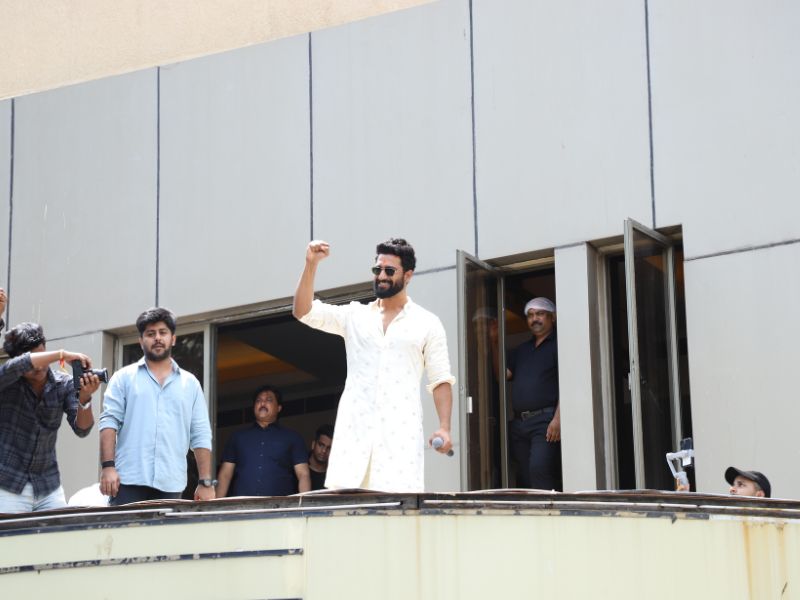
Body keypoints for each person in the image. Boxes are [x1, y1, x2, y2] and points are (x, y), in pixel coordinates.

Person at [293, 238, 455, 493]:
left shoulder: (427, 323)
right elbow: (303, 311)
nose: (381, 276)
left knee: (397, 513)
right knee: (346, 513)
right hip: (353, 441)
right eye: (377, 269)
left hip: (398, 444)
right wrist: (311, 264)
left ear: (408, 275)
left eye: (389, 271)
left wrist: (444, 428)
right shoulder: (354, 315)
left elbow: (440, 379)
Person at [99, 307, 215, 505]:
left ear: (173, 339)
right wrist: (108, 467)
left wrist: (205, 482)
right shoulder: (123, 378)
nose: (157, 338)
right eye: (151, 334)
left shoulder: (190, 384)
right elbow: (109, 422)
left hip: (171, 483)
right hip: (128, 481)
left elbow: (200, 433)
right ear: (141, 341)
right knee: (124, 528)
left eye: (163, 332)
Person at [0, 320, 100, 513]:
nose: (39, 368)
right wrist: (62, 354)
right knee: (10, 534)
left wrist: (85, 398)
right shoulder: (7, 380)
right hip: (8, 484)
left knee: (60, 530)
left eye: (42, 357)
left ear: (45, 348)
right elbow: (18, 365)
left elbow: (82, 429)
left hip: (48, 486)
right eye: (34, 363)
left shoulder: (63, 384)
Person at [505, 297, 561, 490]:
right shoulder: (522, 349)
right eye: (530, 315)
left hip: (545, 421)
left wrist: (558, 419)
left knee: (539, 468)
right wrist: (493, 342)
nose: (534, 319)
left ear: (552, 317)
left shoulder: (559, 345)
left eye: (540, 314)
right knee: (524, 474)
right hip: (519, 423)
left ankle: (548, 507)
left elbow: (568, 382)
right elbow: (502, 375)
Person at [216, 386, 311, 497]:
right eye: (258, 400)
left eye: (269, 400)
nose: (262, 403)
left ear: (279, 408)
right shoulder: (238, 437)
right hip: (242, 505)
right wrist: (216, 505)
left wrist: (305, 504)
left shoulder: (292, 437)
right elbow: (225, 475)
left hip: (279, 505)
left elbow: (303, 474)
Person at [308, 424, 333, 490]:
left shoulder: (333, 475)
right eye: (321, 445)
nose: (324, 450)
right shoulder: (300, 467)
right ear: (313, 444)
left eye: (329, 448)